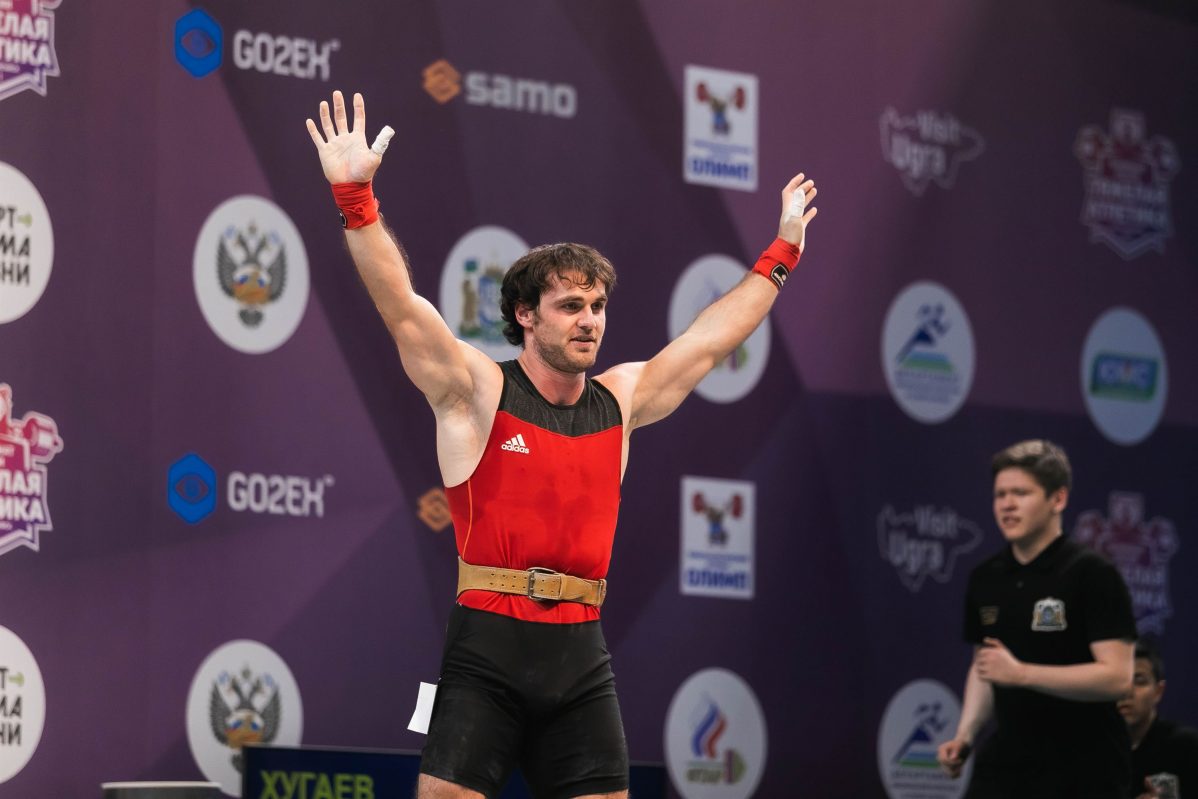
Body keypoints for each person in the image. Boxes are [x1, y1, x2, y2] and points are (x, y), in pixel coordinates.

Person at [305, 90, 818, 799]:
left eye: (598, 306)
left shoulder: (621, 400)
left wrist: (781, 253)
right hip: (486, 652)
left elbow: (710, 340)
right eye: (571, 306)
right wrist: (356, 199)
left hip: (580, 657)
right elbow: (403, 308)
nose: (590, 321)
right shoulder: (477, 390)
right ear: (525, 314)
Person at [936, 439, 1137, 799]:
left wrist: (1023, 674)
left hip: (1084, 770)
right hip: (1009, 766)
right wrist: (965, 735)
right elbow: (986, 667)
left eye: (1021, 493)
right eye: (1000, 495)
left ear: (1057, 499)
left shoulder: (1091, 573)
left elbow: (1117, 677)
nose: (1007, 505)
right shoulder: (986, 577)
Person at [1120, 639, 1198, 798]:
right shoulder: (1093, 752)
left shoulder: (1187, 746)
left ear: (1158, 691)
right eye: (1119, 682)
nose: (1127, 693)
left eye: (1139, 681)